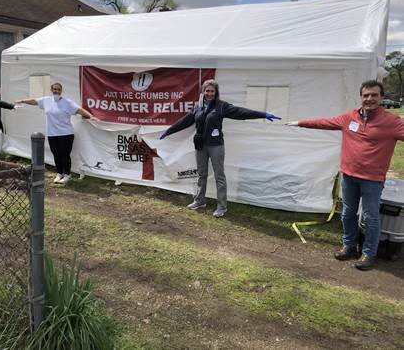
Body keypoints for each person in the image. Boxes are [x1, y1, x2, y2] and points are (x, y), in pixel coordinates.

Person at [286, 80, 404, 271]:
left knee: (370, 216)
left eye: (374, 95)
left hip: (373, 180)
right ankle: (349, 246)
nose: (370, 99)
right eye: (366, 95)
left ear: (381, 97)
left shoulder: (392, 122)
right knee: (348, 213)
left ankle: (369, 253)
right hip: (349, 175)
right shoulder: (350, 118)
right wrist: (300, 123)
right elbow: (324, 122)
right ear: (361, 97)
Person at [159, 79, 281, 217]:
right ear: (203, 92)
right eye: (207, 91)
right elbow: (185, 121)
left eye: (212, 91)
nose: (209, 93)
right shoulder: (198, 107)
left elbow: (241, 112)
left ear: (216, 92)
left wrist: (263, 114)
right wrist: (169, 131)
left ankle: (222, 206)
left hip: (216, 146)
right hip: (200, 145)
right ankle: (199, 200)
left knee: (219, 176)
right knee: (202, 174)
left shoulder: (221, 106)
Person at [16, 82, 99, 184]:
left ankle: (67, 174)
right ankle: (59, 173)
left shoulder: (67, 102)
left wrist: (91, 116)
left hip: (66, 134)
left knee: (65, 155)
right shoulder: (46, 100)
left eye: (58, 89)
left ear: (61, 91)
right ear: (52, 90)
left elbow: (79, 110)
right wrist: (23, 101)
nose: (56, 91)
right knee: (56, 154)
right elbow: (34, 101)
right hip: (52, 134)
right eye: (55, 89)